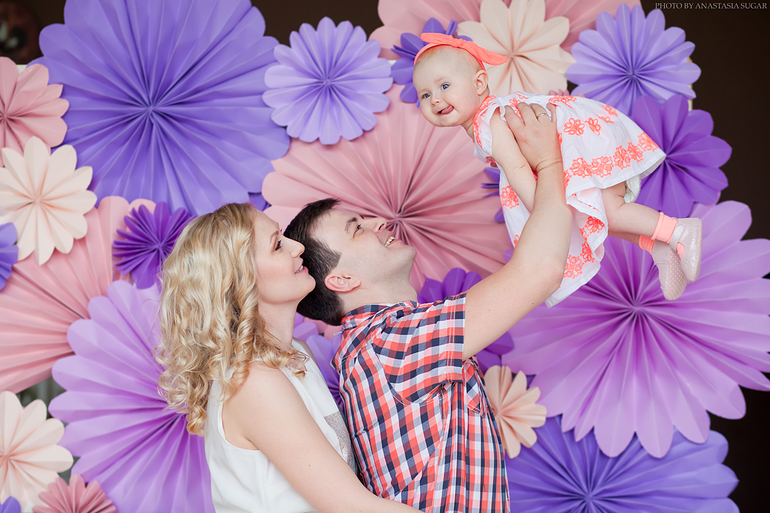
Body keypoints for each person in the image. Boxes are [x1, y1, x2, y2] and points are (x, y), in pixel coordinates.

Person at [284, 102, 572, 511]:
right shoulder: (388, 342)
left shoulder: (375, 344)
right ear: (342, 280)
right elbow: (540, 270)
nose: (379, 222)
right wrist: (549, 161)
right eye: (357, 228)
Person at [155, 203, 417, 513]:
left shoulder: (296, 354)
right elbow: (354, 507)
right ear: (242, 280)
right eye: (277, 244)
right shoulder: (253, 382)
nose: (298, 248)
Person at [411, 33, 702, 302]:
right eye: (424, 95)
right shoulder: (487, 117)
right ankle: (657, 243)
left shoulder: (489, 122)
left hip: (581, 146)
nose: (435, 99)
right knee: (594, 216)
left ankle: (678, 230)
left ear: (478, 84)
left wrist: (544, 212)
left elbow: (517, 168)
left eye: (444, 86)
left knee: (609, 211)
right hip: (576, 145)